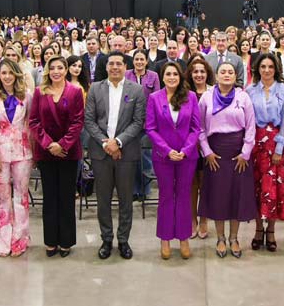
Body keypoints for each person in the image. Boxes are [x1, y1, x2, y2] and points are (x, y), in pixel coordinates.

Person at [83, 52, 147, 260]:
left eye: (119, 63)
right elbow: (89, 120)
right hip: (101, 153)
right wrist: (106, 143)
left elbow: (138, 122)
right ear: (107, 66)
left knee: (126, 200)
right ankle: (106, 239)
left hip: (126, 153)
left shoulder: (136, 90)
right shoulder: (95, 88)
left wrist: (118, 142)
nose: (115, 67)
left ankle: (123, 240)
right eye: (111, 63)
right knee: (103, 200)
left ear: (125, 66)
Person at [197, 62, 256, 259]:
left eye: (231, 72)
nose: (227, 75)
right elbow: (199, 128)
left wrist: (245, 152)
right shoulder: (206, 97)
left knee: (236, 196)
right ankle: (221, 238)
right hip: (216, 153)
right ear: (216, 75)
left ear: (235, 75)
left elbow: (250, 126)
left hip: (238, 153)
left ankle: (234, 238)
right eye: (223, 71)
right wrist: (207, 152)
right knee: (219, 196)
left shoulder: (243, 96)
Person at [145, 62, 201, 259]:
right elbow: (150, 128)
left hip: (187, 157)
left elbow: (196, 128)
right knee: (166, 196)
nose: (171, 77)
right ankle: (165, 238)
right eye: (168, 74)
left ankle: (184, 237)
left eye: (175, 74)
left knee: (184, 196)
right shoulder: (154, 98)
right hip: (163, 157)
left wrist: (185, 150)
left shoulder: (190, 96)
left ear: (180, 77)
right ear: (162, 77)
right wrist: (167, 150)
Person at [29, 56, 84, 258]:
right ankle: (51, 240)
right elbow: (33, 121)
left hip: (69, 152)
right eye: (52, 68)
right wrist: (48, 144)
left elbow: (78, 122)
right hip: (46, 153)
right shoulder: (39, 92)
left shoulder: (75, 91)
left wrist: (62, 145)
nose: (56, 71)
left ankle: (66, 241)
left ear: (66, 69)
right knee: (50, 198)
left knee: (66, 198)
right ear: (47, 71)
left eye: (60, 67)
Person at [0, 59, 32, 257]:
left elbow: (29, 126)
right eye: (3, 73)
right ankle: (4, 238)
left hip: (23, 153)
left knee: (21, 197)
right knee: (3, 198)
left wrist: (33, 153)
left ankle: (20, 237)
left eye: (11, 73)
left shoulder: (27, 97)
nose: (7, 76)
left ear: (17, 74)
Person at [245, 52, 284, 252]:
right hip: (256, 144)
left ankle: (271, 231)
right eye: (263, 67)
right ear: (257, 69)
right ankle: (258, 230)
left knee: (274, 189)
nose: (266, 70)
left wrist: (279, 148)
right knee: (257, 188)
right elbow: (247, 121)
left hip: (278, 144)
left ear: (276, 69)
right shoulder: (249, 90)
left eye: (270, 67)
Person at [125, 50, 160, 201]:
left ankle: (144, 190)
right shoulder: (126, 75)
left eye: (142, 59)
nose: (139, 62)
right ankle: (133, 190)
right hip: (130, 121)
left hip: (148, 121)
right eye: (136, 59)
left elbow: (157, 98)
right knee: (132, 157)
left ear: (146, 61)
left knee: (145, 157)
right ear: (133, 61)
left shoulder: (153, 76)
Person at [186, 57, 213, 239]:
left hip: (208, 145)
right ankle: (192, 220)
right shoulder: (184, 93)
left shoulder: (213, 92)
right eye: (195, 71)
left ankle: (204, 218)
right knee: (191, 184)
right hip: (188, 145)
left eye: (202, 71)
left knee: (205, 184)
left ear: (207, 74)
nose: (199, 74)